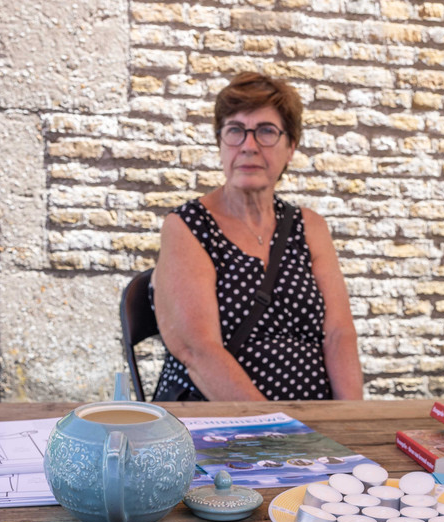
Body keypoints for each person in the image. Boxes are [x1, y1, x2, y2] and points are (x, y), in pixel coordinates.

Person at [151, 73, 364, 402]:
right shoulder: (187, 227)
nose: (249, 146)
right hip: (220, 423)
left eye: (266, 131)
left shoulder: (309, 227)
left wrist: (350, 423)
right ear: (221, 144)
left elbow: (338, 335)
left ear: (290, 147)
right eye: (235, 131)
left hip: (314, 432)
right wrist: (278, 432)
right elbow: (199, 352)